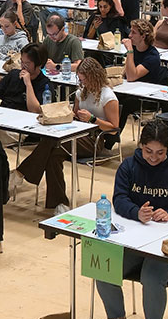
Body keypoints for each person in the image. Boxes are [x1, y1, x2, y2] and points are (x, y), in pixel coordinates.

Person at [97, 118, 168, 319]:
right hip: (135, 242)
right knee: (103, 270)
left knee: (151, 278)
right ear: (141, 146)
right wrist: (136, 212)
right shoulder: (129, 166)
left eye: (160, 152)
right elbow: (119, 198)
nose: (153, 157)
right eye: (148, 151)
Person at [19, 55, 118, 213]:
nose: (82, 83)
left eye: (84, 80)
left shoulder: (108, 96)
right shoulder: (81, 93)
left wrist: (93, 119)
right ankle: (60, 203)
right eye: (80, 80)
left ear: (93, 77)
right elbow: (74, 114)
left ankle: (21, 173)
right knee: (53, 155)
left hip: (94, 139)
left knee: (53, 142)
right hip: (76, 132)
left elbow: (114, 127)